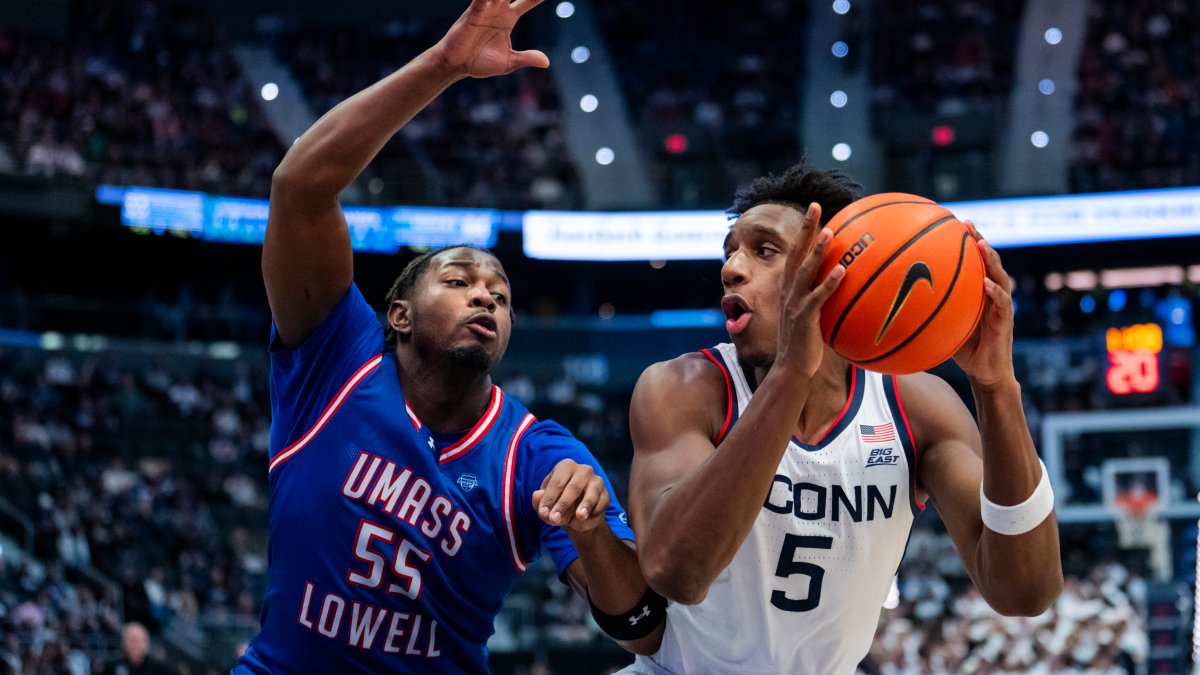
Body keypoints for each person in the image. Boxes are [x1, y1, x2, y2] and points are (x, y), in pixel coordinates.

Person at [233, 1, 664, 672]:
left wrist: (590, 533)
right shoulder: (334, 358)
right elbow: (299, 187)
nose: (487, 294)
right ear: (398, 313)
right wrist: (445, 65)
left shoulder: (534, 452)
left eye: (500, 293)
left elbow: (638, 626)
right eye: (460, 279)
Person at [621, 163, 1063, 674]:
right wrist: (793, 373)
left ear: (838, 272)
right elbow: (677, 573)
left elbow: (1026, 591)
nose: (731, 268)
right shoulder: (684, 388)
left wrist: (996, 387)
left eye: (764, 250)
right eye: (730, 252)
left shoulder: (916, 407)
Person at [103, 622, 172, 675]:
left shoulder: (161, 670)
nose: (133, 645)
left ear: (145, 642)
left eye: (136, 640)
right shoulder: (113, 668)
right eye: (129, 640)